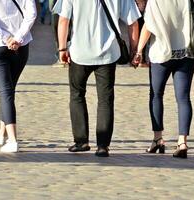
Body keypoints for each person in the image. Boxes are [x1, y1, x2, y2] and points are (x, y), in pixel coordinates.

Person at [54, 0, 140, 157]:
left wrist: (62, 48)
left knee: (77, 95)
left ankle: (81, 141)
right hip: (108, 52)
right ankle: (103, 145)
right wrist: (135, 50)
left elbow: (63, 20)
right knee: (105, 100)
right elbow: (133, 22)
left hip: (79, 52)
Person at [133, 0, 194, 158]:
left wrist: (139, 51)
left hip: (161, 52)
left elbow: (148, 26)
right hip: (186, 52)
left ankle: (158, 139)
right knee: (183, 98)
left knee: (156, 95)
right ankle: (182, 141)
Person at [0, 0, 37, 153]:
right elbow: (32, 13)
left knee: (6, 92)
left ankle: (13, 140)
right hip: (20, 46)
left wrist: (6, 38)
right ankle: (2, 133)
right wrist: (18, 37)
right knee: (9, 90)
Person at [135, 0, 148, 67]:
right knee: (143, 34)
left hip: (138, 6)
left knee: (139, 33)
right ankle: (141, 60)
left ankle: (138, 58)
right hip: (142, 7)